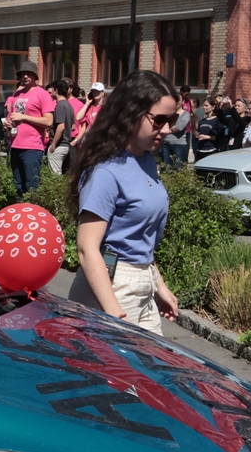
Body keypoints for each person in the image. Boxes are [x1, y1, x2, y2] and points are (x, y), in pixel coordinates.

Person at [66, 70, 181, 335]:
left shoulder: (146, 160)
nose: (167, 129)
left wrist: (159, 285)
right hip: (111, 288)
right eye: (159, 120)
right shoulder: (106, 171)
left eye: (171, 120)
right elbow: (86, 249)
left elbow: (139, 238)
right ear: (130, 113)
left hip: (142, 284)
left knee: (151, 361)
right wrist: (116, 315)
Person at [4, 60, 54, 196]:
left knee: (32, 186)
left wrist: (24, 117)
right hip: (15, 145)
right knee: (19, 186)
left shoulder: (42, 94)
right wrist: (8, 124)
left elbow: (49, 121)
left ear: (35, 75)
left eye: (28, 73)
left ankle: (32, 208)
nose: (25, 76)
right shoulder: (17, 95)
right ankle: (21, 208)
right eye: (22, 74)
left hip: (32, 147)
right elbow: (12, 117)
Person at [48, 79, 76, 173]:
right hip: (66, 145)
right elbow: (72, 127)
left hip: (58, 145)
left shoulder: (60, 105)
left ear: (56, 90)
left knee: (54, 175)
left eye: (52, 90)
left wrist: (53, 144)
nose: (51, 92)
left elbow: (61, 127)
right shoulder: (69, 105)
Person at [160, 89, 191, 166]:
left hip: (179, 145)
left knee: (179, 168)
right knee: (167, 168)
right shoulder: (168, 113)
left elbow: (180, 126)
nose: (176, 102)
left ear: (183, 102)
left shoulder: (186, 114)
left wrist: (168, 130)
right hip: (166, 144)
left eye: (178, 100)